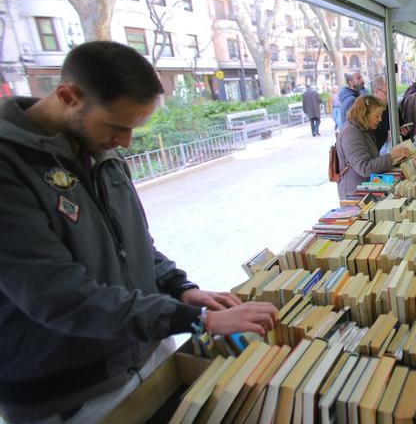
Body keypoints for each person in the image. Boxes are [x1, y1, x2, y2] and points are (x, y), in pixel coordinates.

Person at [0, 42, 278, 423]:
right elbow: (58, 296)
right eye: (117, 127)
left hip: (144, 356)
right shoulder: (9, 167)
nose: (126, 142)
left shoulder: (101, 150)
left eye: (133, 128)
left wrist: (180, 287)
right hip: (70, 395)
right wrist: (196, 319)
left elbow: (132, 244)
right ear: (68, 96)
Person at [335, 95, 412, 200]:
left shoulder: (362, 129)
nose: (380, 119)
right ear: (364, 114)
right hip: (355, 193)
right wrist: (391, 156)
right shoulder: (351, 133)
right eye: (377, 116)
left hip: (365, 186)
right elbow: (364, 168)